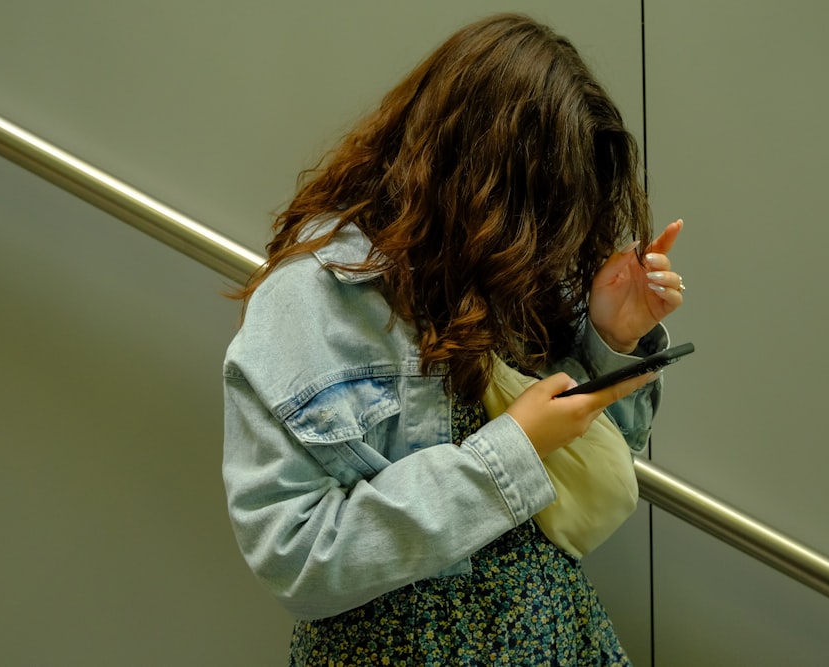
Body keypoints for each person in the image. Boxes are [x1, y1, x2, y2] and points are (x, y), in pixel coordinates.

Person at [222, 13, 685, 666]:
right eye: (536, 211)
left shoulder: (516, 272)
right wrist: (509, 454)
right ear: (476, 175)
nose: (548, 246)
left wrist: (609, 334)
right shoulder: (315, 298)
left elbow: (594, 479)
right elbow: (293, 554)